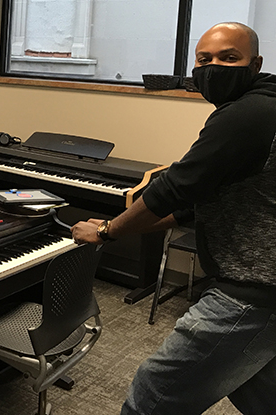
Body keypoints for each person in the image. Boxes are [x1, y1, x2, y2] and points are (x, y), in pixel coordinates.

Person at [71, 22, 276, 414]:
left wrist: (107, 231)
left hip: (249, 292)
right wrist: (123, 227)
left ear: (255, 64)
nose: (214, 67)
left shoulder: (249, 113)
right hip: (265, 292)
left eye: (229, 58)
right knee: (254, 390)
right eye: (205, 59)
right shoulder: (259, 106)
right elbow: (193, 204)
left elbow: (173, 189)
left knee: (153, 396)